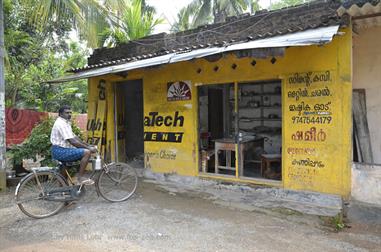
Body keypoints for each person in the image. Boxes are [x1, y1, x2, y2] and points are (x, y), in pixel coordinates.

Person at [50, 105, 97, 185]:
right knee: (86, 152)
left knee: (64, 169)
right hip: (60, 151)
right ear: (61, 114)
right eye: (66, 113)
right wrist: (88, 149)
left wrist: (88, 145)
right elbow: (73, 142)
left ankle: (63, 189)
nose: (69, 114)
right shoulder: (61, 124)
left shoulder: (65, 123)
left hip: (60, 150)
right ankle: (80, 177)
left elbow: (75, 138)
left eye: (70, 112)